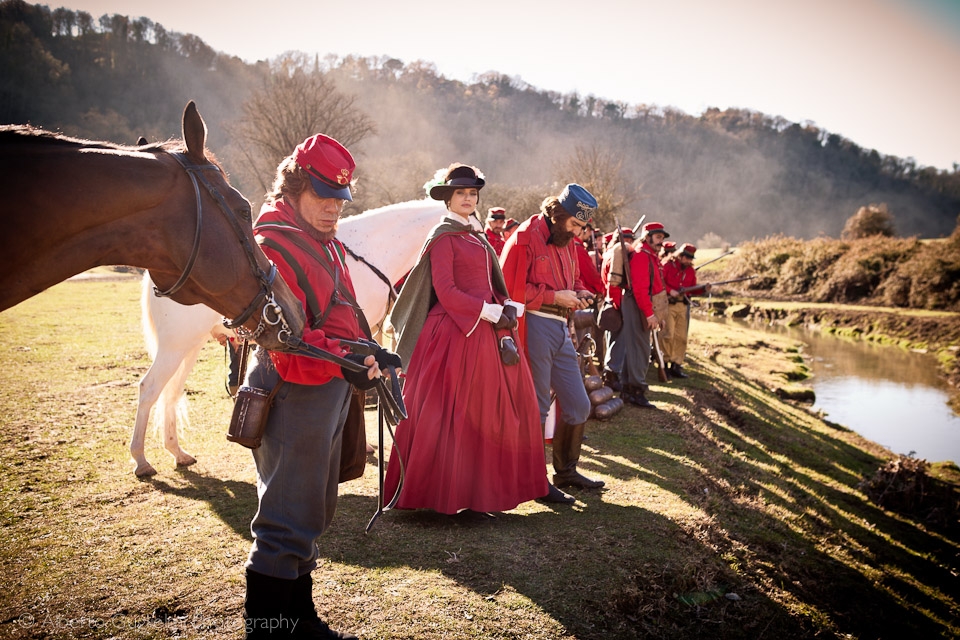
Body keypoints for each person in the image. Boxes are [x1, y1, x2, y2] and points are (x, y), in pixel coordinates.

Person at [243, 134, 394, 640]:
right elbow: (288, 337)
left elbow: (339, 311)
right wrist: (344, 358)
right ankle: (268, 630)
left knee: (310, 510)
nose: (334, 208)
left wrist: (365, 350)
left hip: (327, 383)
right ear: (295, 187)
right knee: (285, 519)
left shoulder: (318, 237)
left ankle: (300, 621)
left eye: (340, 199)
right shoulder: (273, 244)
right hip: (295, 387)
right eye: (323, 196)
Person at [383, 164, 548, 514]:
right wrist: (487, 311)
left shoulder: (476, 236)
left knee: (485, 414)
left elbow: (489, 283)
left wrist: (505, 303)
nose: (468, 198)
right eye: (461, 193)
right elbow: (445, 290)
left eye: (472, 193)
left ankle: (478, 495)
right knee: (451, 414)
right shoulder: (443, 237)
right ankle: (442, 493)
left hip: (484, 332)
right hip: (454, 332)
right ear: (448, 198)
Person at [500, 184, 605, 500]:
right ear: (559, 214)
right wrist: (554, 296)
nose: (578, 232)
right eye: (574, 224)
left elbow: (574, 277)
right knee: (538, 408)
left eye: (582, 227)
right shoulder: (525, 236)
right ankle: (535, 481)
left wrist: (579, 291)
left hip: (561, 328)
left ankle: (566, 472)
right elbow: (509, 289)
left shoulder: (567, 239)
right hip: (533, 325)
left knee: (578, 404)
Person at [615, 221, 670, 409]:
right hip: (637, 304)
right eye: (658, 237)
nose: (661, 241)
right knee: (640, 349)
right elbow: (639, 289)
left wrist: (657, 314)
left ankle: (629, 390)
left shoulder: (650, 255)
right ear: (648, 237)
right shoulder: (641, 256)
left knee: (636, 348)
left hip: (642, 305)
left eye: (662, 237)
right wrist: (648, 314)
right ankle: (636, 391)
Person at [662, 242, 711, 378]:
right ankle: (664, 364)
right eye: (687, 258)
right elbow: (659, 282)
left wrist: (703, 289)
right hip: (668, 305)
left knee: (681, 337)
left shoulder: (690, 270)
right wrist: (670, 291)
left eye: (690, 258)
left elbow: (692, 288)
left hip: (682, 306)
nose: (689, 261)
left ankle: (676, 365)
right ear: (680, 256)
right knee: (668, 335)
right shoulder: (667, 265)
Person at [599, 226, 635, 391]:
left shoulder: (609, 253)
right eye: (628, 239)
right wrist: (621, 308)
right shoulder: (617, 255)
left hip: (611, 301)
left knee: (614, 341)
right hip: (617, 302)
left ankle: (612, 374)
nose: (630, 243)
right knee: (618, 342)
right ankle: (612, 375)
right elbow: (614, 284)